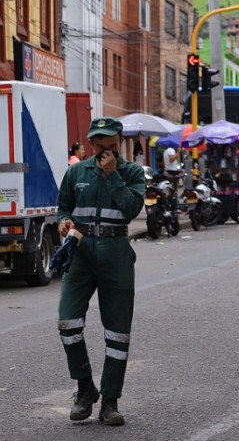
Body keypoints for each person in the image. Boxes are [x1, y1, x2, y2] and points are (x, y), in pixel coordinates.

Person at [55, 117, 145, 426]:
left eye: (108, 140)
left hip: (116, 255)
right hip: (79, 256)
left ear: (119, 140)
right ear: (91, 142)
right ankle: (85, 388)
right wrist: (63, 221)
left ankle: (110, 401)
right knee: (67, 323)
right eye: (97, 140)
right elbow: (63, 206)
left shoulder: (131, 172)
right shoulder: (76, 172)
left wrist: (112, 176)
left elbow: (132, 209)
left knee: (117, 332)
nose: (102, 146)